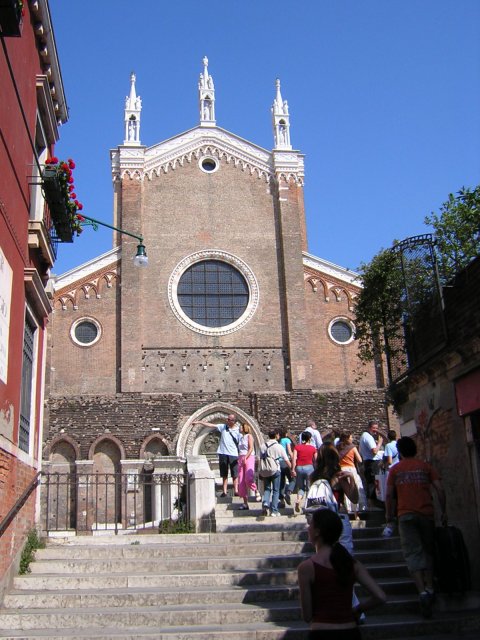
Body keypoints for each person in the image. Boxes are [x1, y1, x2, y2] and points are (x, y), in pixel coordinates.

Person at [298, 508, 386, 639]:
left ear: (317, 532)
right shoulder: (352, 564)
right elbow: (381, 596)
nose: (308, 528)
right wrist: (357, 610)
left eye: (310, 524)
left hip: (321, 632)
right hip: (350, 631)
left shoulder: (306, 568)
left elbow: (307, 616)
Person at [385, 436, 447, 619]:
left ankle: (422, 592)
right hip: (426, 513)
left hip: (405, 515)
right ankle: (430, 587)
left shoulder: (396, 470)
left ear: (400, 452)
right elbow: (440, 489)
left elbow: (389, 495)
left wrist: (389, 516)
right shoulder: (425, 467)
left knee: (413, 553)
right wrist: (444, 511)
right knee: (428, 551)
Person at [193, 414, 240, 497]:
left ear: (233, 421)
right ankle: (224, 491)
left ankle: (236, 490)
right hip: (223, 453)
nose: (227, 420)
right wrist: (199, 422)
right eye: (227, 419)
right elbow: (211, 425)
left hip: (233, 453)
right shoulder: (223, 427)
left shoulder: (238, 430)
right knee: (224, 473)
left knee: (235, 473)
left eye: (229, 419)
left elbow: (242, 442)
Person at [260, 429, 292, 517]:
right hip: (276, 469)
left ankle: (265, 503)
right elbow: (286, 459)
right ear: (276, 436)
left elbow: (260, 458)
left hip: (265, 470)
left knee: (267, 489)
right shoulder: (279, 446)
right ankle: (274, 510)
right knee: (276, 490)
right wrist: (292, 469)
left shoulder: (263, 446)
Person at [337, 432, 366, 518]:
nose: (352, 439)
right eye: (351, 437)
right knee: (354, 490)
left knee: (344, 492)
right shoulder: (352, 448)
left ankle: (346, 511)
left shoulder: (338, 448)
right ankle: (356, 513)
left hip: (341, 470)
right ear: (347, 439)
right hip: (351, 470)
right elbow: (360, 460)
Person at [359, 420, 384, 509]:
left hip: (369, 462)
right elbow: (374, 451)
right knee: (373, 483)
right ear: (369, 428)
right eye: (374, 428)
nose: (376, 431)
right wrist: (380, 442)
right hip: (372, 463)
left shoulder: (365, 436)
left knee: (372, 482)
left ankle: (373, 503)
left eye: (377, 428)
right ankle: (373, 504)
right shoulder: (368, 437)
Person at [292, 432, 317, 514]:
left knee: (301, 487)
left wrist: (293, 469)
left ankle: (298, 500)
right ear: (309, 438)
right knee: (309, 487)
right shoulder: (313, 448)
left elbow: (294, 459)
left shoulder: (297, 447)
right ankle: (308, 506)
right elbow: (316, 460)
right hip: (309, 468)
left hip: (299, 468)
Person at [237, 423, 261, 509]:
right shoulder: (240, 437)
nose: (239, 428)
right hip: (241, 457)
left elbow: (251, 448)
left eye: (240, 427)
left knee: (248, 477)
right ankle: (245, 503)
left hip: (249, 457)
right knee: (241, 480)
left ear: (244, 428)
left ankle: (256, 490)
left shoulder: (249, 436)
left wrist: (245, 457)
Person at [278, 427, 295, 507]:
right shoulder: (287, 440)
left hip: (278, 463)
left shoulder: (278, 441)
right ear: (286, 434)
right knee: (292, 479)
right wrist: (293, 462)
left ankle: (281, 501)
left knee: (281, 482)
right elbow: (289, 451)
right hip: (286, 462)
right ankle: (288, 492)